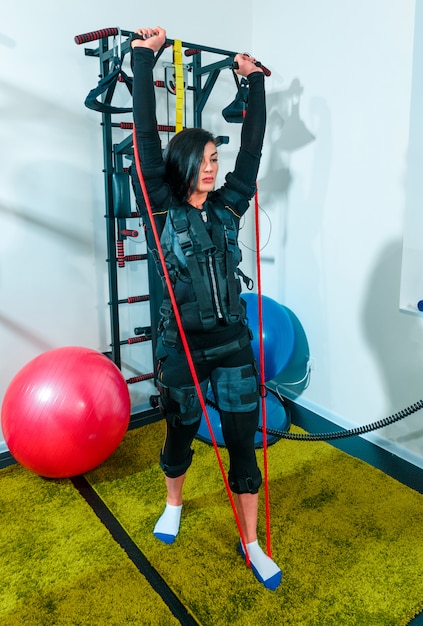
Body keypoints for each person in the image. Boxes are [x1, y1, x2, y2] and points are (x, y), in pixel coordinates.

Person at [130, 26, 281, 591]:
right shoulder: (160, 208)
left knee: (244, 443)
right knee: (180, 430)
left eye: (218, 158)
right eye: (208, 159)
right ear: (185, 162)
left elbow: (255, 148)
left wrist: (255, 85)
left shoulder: (230, 207)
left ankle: (251, 542)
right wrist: (143, 61)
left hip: (234, 346)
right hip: (181, 350)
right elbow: (146, 135)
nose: (216, 168)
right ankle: (173, 502)